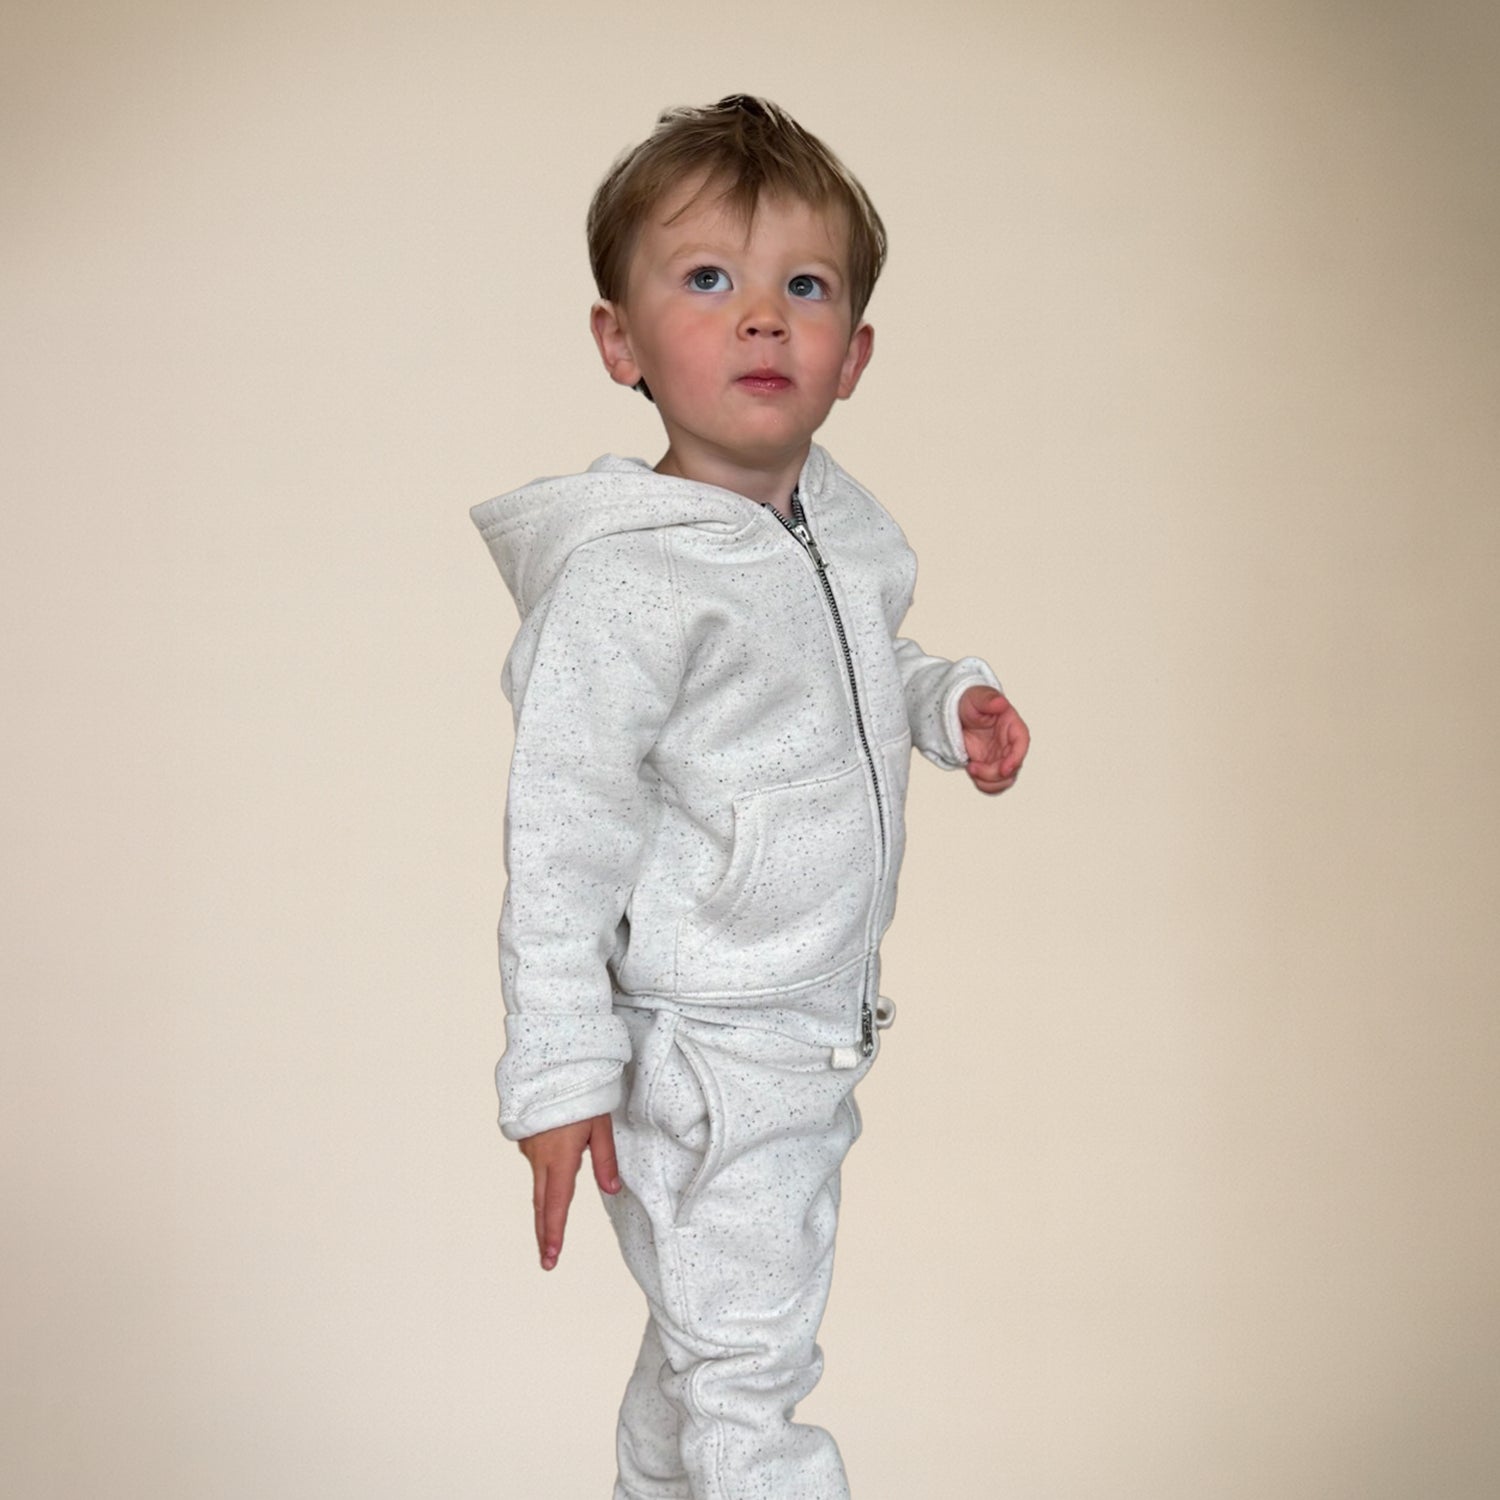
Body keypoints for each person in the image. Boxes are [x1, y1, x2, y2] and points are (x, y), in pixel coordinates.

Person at [470, 94, 1030, 1500]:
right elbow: (562, 836)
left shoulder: (836, 520)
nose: (764, 318)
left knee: (704, 1366)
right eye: (710, 280)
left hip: (801, 1027)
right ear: (621, 343)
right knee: (747, 1380)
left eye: (807, 287)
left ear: (855, 356)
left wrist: (943, 702)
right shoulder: (627, 584)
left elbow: (858, 662)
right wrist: (559, 1075)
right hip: (703, 1054)